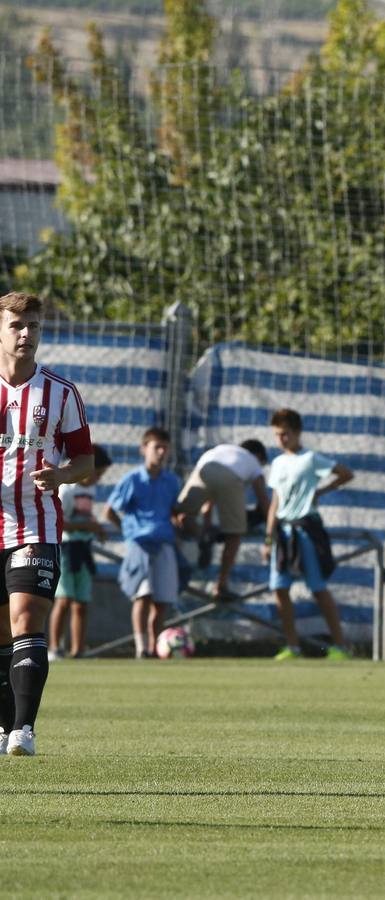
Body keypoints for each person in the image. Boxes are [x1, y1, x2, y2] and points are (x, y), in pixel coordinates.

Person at [0, 291, 95, 756]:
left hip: (35, 524)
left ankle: (23, 730)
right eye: (17, 325)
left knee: (26, 619)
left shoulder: (61, 392)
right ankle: (2, 728)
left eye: (33, 326)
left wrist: (61, 474)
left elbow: (85, 461)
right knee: (2, 632)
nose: (26, 335)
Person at [264, 408, 355, 661]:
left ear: (297, 433)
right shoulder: (278, 463)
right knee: (279, 588)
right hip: (283, 531)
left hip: (305, 528)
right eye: (277, 435)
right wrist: (268, 537)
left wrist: (321, 492)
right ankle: (292, 646)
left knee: (317, 588)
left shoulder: (311, 459)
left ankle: (339, 645)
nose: (281, 440)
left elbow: (346, 473)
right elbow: (275, 501)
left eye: (285, 434)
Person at [107, 426, 183, 661]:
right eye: (156, 447)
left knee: (162, 600)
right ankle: (141, 647)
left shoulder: (172, 481)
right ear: (144, 449)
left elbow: (175, 510)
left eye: (165, 448)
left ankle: (156, 646)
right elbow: (110, 511)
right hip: (140, 545)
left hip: (164, 544)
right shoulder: (132, 479)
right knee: (143, 596)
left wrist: (180, 520)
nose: (160, 452)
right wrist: (128, 532)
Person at [177, 439, 269, 600]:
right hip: (230, 478)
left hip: (204, 465)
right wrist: (271, 526)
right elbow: (262, 497)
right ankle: (220, 585)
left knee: (181, 514)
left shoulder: (221, 451)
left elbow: (209, 498)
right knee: (234, 534)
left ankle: (201, 538)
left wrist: (206, 525)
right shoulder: (252, 461)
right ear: (259, 456)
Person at [49, 443, 113, 660]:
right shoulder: (68, 489)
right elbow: (60, 523)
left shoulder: (89, 490)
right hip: (66, 551)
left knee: (81, 602)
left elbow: (85, 518)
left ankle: (78, 650)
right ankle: (55, 648)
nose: (99, 479)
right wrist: (87, 527)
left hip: (83, 551)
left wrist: (95, 527)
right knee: (64, 600)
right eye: (98, 473)